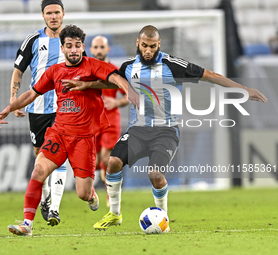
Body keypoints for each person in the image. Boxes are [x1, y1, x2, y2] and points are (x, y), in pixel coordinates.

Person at [83, 25, 267, 231]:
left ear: (158, 45)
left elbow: (209, 75)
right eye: (144, 45)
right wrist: (85, 85)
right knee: (113, 162)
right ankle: (114, 214)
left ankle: (164, 220)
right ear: (138, 43)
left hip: (166, 132)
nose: (148, 50)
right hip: (138, 131)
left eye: (152, 46)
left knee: (155, 175)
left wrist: (243, 89)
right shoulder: (128, 67)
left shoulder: (172, 65)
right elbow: (111, 83)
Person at [0, 25, 132, 236]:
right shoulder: (55, 71)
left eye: (77, 46)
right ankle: (27, 225)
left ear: (82, 47)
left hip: (83, 139)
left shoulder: (92, 66)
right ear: (63, 48)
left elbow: (114, 79)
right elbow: (32, 93)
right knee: (38, 170)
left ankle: (91, 195)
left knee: (82, 193)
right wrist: (10, 107)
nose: (74, 50)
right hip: (58, 134)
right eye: (69, 46)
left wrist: (127, 90)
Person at [10, 0, 68, 226]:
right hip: (37, 109)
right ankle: (45, 198)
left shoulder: (71, 40)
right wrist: (14, 100)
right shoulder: (33, 40)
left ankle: (54, 208)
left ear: (63, 13)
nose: (53, 17)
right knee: (40, 158)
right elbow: (18, 70)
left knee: (59, 156)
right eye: (49, 13)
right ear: (43, 15)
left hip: (64, 108)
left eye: (57, 12)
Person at [90, 36, 128, 206]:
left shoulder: (115, 71)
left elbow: (131, 94)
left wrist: (117, 102)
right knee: (95, 160)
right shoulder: (87, 71)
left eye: (101, 47)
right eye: (96, 47)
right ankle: (107, 182)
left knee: (107, 157)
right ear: (91, 50)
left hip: (111, 118)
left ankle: (110, 196)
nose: (99, 50)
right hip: (91, 119)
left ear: (107, 50)